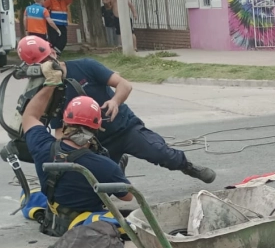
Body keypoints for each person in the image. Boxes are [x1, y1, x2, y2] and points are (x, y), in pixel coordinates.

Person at [18, 37, 133, 236]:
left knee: (29, 195)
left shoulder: (42, 145)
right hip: (82, 221)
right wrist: (115, 173)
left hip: (54, 210)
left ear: (65, 120)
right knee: (132, 222)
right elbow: (128, 197)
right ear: (97, 127)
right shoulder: (103, 165)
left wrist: (51, 85)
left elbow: (30, 115)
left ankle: (38, 210)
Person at [44, 52, 216, 183]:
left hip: (124, 128)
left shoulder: (86, 66)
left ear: (53, 54)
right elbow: (59, 131)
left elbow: (124, 85)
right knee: (98, 186)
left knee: (159, 152)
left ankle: (188, 167)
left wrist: (115, 101)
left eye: (46, 60)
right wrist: (71, 152)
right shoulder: (49, 93)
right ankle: (117, 165)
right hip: (96, 143)